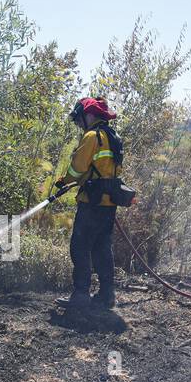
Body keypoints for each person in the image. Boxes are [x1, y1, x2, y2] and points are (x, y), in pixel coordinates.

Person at [52, 97, 125, 312]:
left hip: (91, 202)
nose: (79, 124)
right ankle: (106, 295)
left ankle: (80, 296)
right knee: (102, 248)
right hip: (109, 203)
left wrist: (63, 181)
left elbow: (77, 168)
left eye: (80, 119)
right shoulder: (113, 137)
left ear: (89, 115)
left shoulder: (92, 136)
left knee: (80, 247)